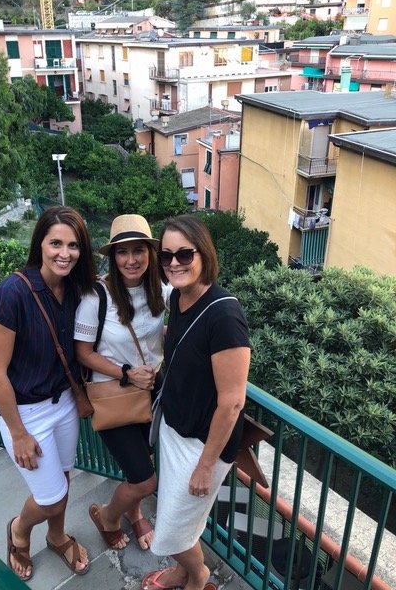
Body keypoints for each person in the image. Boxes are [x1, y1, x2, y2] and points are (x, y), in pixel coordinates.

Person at [0, 206, 96, 581]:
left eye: (73, 245)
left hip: (63, 403)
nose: (65, 253)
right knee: (50, 497)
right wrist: (18, 433)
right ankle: (19, 530)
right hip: (26, 413)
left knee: (64, 479)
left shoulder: (76, 290)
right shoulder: (10, 293)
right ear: (40, 244)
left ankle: (58, 536)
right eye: (56, 243)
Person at [142, 215, 250, 590]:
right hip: (175, 430)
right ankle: (184, 571)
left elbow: (233, 402)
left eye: (184, 254)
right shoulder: (181, 298)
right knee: (180, 519)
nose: (174, 263)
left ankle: (200, 575)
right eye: (166, 255)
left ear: (203, 254)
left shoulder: (224, 316)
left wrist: (205, 467)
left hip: (202, 446)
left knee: (171, 527)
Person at [74, 214, 171, 551]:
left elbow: (182, 313)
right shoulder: (96, 297)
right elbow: (83, 352)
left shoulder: (161, 289)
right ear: (112, 257)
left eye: (138, 250)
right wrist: (126, 372)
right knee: (145, 479)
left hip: (150, 393)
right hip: (113, 395)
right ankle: (108, 516)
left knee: (143, 462)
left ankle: (134, 511)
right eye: (122, 252)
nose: (131, 260)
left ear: (150, 252)